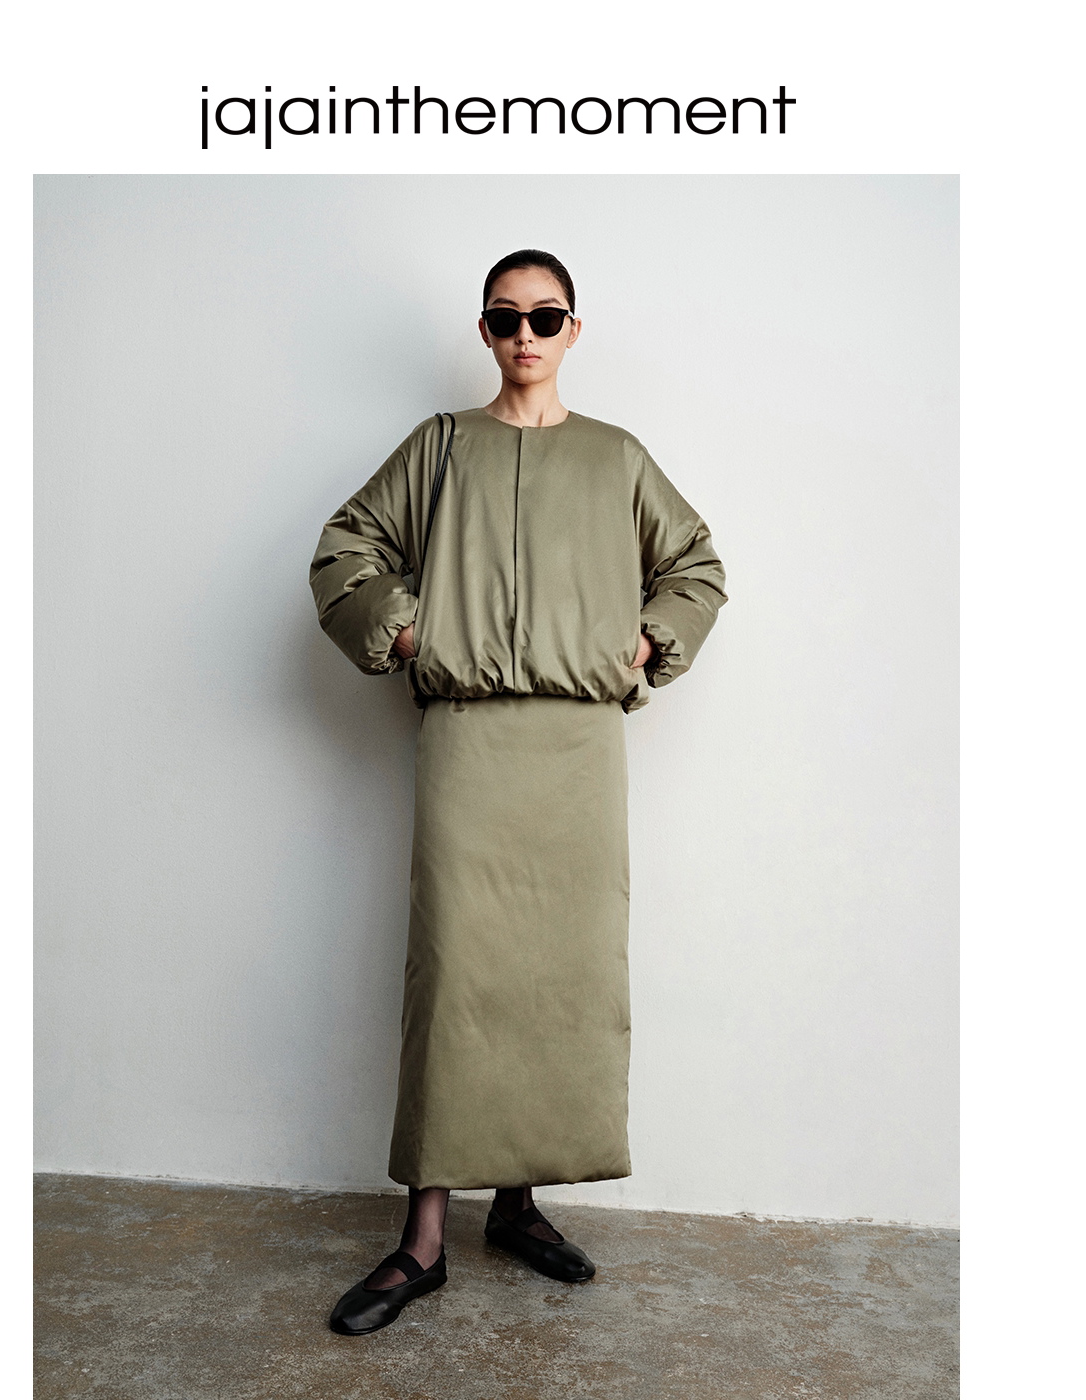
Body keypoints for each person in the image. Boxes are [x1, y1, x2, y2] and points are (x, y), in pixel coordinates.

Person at [309, 249, 725, 1336]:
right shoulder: (440, 446)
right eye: (506, 317)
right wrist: (410, 632)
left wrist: (645, 642)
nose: (525, 335)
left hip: (578, 751)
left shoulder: (616, 456)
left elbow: (694, 567)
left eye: (545, 317)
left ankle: (519, 1203)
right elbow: (346, 549)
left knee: (559, 974)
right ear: (486, 329)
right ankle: (423, 1239)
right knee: (458, 973)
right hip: (469, 742)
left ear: (572, 329)